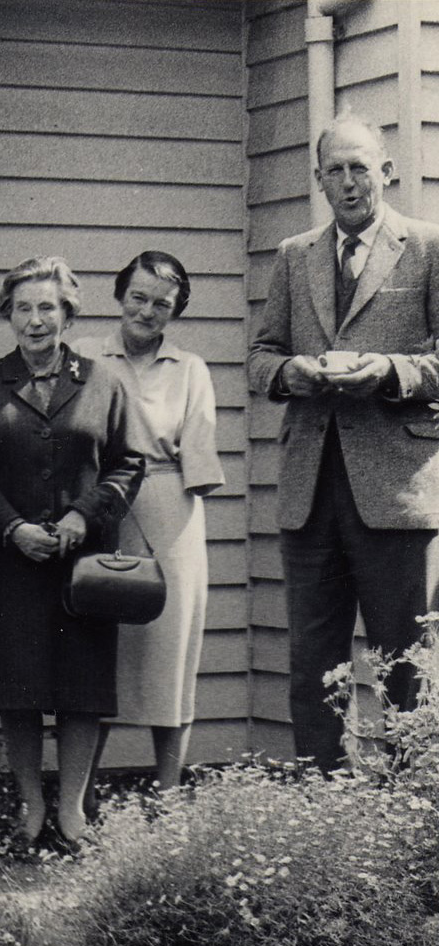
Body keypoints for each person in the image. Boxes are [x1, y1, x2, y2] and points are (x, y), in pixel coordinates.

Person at [248, 113, 439, 773]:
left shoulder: (427, 246)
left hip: (395, 490)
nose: (351, 181)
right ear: (319, 179)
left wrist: (388, 372)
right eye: (337, 169)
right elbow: (261, 356)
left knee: (403, 662)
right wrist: (289, 373)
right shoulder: (294, 255)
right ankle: (324, 808)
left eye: (362, 167)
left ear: (385, 170)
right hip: (310, 489)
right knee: (313, 666)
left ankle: (408, 815)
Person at [0, 257, 143, 846]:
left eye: (49, 308)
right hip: (12, 562)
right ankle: (31, 806)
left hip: (82, 566)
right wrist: (13, 528)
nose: (37, 321)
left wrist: (84, 516)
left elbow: (128, 463)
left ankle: (73, 809)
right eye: (25, 308)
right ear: (8, 314)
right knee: (20, 688)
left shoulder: (103, 381)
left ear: (68, 313)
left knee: (81, 688)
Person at [77, 252, 223, 791]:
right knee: (100, 649)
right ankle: (80, 792)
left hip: (169, 504)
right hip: (101, 505)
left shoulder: (191, 370)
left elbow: (201, 461)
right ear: (120, 298)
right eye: (137, 297)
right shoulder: (87, 356)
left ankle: (168, 793)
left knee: (170, 648)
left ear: (175, 311)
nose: (146, 311)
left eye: (162, 303)